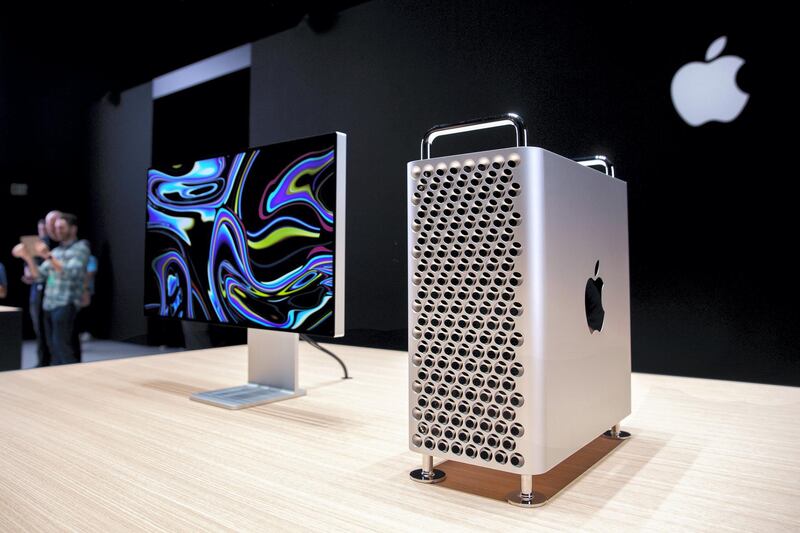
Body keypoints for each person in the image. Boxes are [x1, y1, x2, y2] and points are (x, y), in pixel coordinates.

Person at [12, 213, 90, 365]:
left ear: (73, 229)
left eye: (61, 227)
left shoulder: (81, 247)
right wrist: (27, 257)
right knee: (53, 348)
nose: (57, 230)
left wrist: (46, 255)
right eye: (55, 228)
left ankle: (73, 379)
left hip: (65, 304)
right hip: (49, 305)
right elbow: (39, 275)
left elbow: (69, 271)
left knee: (64, 348)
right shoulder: (56, 252)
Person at [21, 218, 54, 366]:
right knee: (38, 327)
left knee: (47, 327)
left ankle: (49, 359)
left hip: (48, 289)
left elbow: (48, 272)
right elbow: (30, 271)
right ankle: (42, 360)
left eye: (45, 230)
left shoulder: (52, 249)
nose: (42, 233)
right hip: (35, 289)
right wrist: (28, 275)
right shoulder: (33, 248)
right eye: (40, 230)